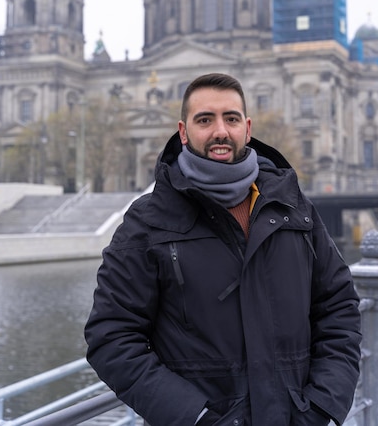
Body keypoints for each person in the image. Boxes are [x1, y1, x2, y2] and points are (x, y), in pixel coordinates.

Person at [85, 73, 361, 426]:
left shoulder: (294, 207)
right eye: (205, 119)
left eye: (230, 119)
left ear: (247, 128)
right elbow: (111, 338)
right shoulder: (146, 222)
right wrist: (196, 417)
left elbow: (339, 307)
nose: (220, 131)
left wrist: (323, 407)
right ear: (183, 132)